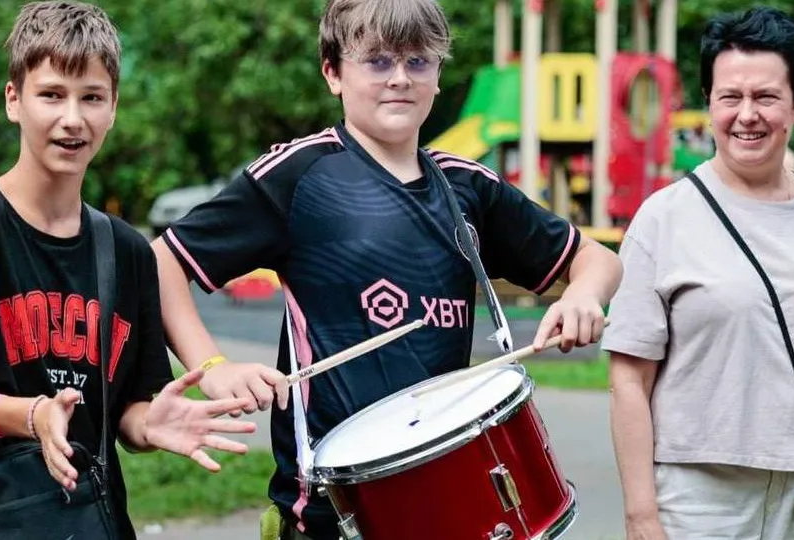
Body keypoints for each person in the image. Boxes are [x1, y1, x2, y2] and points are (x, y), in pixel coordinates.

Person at [151, 0, 622, 538]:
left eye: (418, 62)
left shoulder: (467, 187)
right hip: (334, 513)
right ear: (333, 72)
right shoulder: (299, 175)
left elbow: (598, 260)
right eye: (377, 61)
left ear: (439, 76)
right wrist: (213, 368)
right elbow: (161, 262)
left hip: (453, 501)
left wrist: (583, 295)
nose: (400, 78)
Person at [0, 2, 256, 539]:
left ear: (113, 107)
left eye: (92, 97)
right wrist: (28, 415)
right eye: (51, 94)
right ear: (14, 100)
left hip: (94, 521)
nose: (73, 118)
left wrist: (151, 424)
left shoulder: (126, 251)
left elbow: (129, 412)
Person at [604, 7, 794, 540]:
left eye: (766, 97)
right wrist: (641, 516)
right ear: (708, 103)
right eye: (730, 97)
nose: (746, 114)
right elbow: (628, 381)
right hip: (699, 501)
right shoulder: (664, 219)